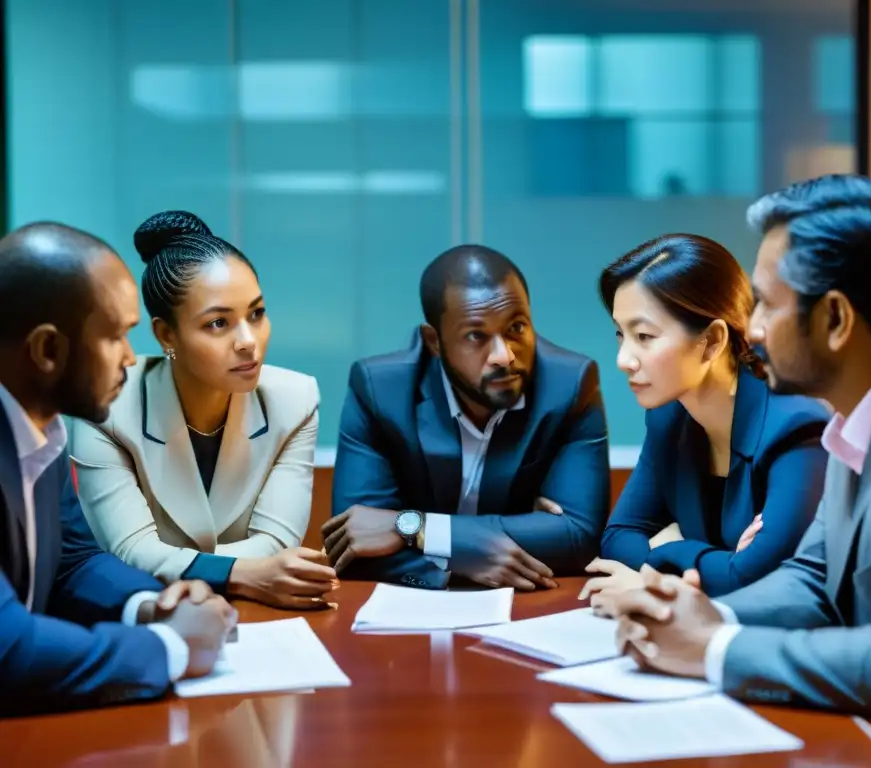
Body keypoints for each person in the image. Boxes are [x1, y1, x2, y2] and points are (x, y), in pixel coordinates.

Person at [601, 175, 871, 768]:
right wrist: (698, 615)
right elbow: (812, 577)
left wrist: (715, 647)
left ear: (835, 319)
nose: (750, 329)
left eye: (768, 304)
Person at [0, 221, 237, 715]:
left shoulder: (41, 431)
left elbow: (74, 561)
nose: (131, 358)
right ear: (47, 350)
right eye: (115, 337)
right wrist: (173, 648)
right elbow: (9, 648)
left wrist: (157, 605)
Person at [70, 212, 334, 609]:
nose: (249, 342)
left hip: (259, 615)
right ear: (165, 334)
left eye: (256, 314)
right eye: (218, 324)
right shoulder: (108, 405)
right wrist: (242, 573)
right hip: (151, 614)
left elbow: (278, 542)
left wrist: (188, 565)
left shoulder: (293, 400)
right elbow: (132, 553)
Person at [325, 244, 610, 590]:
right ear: (434, 341)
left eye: (517, 328)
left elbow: (580, 539)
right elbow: (354, 547)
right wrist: (463, 561)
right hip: (412, 613)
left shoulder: (569, 385)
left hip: (528, 607)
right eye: (476, 336)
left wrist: (412, 528)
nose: (504, 356)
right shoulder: (380, 391)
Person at [581, 235, 829, 602]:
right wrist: (717, 565)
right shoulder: (669, 417)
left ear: (712, 341)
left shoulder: (795, 427)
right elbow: (618, 536)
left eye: (644, 336)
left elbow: (757, 580)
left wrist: (669, 550)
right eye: (622, 334)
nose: (623, 359)